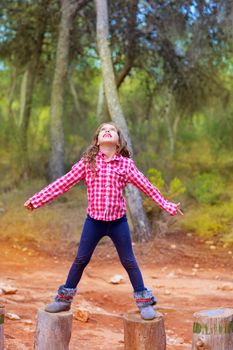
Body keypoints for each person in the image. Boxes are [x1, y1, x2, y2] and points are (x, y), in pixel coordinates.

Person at [24, 122, 183, 320]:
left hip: (118, 222)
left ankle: (144, 303)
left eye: (112, 130)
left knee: (129, 261)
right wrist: (37, 200)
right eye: (103, 130)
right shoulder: (87, 162)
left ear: (118, 141)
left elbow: (147, 187)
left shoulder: (126, 164)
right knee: (81, 259)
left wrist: (167, 205)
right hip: (94, 222)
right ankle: (63, 300)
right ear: (97, 140)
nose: (107, 131)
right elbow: (62, 183)